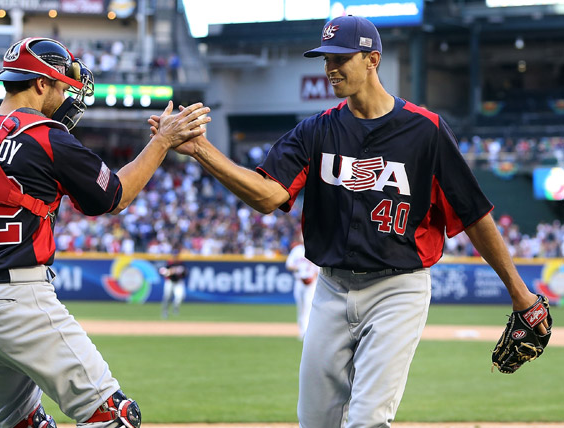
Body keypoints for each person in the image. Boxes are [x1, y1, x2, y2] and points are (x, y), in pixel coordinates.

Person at [149, 15, 550, 428]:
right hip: (331, 287)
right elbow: (268, 196)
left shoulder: (425, 130)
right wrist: (202, 150)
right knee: (315, 421)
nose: (330, 68)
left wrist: (520, 294)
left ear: (372, 60)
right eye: (326, 59)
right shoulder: (315, 131)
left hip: (398, 289)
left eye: (341, 58)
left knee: (366, 420)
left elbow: (474, 214)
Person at [0, 37, 209, 428]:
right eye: (62, 85)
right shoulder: (47, 136)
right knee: (114, 417)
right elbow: (116, 196)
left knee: (22, 424)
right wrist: (162, 141)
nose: (68, 95)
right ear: (41, 83)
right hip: (21, 299)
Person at [285, 235, 319, 341]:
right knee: (301, 307)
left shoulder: (315, 249)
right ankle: (302, 331)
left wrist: (313, 277)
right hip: (299, 281)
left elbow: (319, 269)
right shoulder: (297, 250)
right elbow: (288, 265)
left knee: (308, 306)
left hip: (311, 283)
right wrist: (298, 268)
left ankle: (307, 332)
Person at [158, 250, 188, 318]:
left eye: (176, 255)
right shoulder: (169, 263)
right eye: (174, 255)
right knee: (167, 297)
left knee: (180, 296)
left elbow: (185, 273)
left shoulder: (181, 264)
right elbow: (161, 271)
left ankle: (175, 307)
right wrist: (169, 272)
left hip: (178, 282)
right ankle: (165, 311)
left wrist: (181, 272)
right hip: (169, 282)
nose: (175, 257)